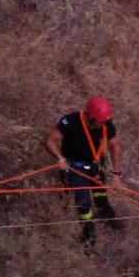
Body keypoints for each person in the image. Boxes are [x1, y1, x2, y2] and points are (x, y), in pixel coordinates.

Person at [44, 96, 123, 246]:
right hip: (74, 167)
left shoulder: (106, 124)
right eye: (99, 121)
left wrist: (117, 175)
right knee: (83, 204)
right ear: (90, 116)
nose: (101, 125)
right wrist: (59, 158)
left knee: (101, 196)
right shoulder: (70, 121)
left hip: (95, 166)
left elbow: (115, 146)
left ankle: (108, 218)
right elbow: (50, 140)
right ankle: (88, 234)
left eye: (103, 122)